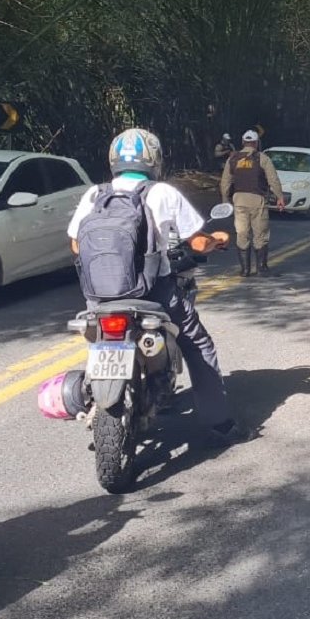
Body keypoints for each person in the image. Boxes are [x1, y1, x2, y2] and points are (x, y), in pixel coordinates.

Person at [68, 128, 250, 446]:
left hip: (99, 297)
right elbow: (196, 241)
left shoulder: (95, 195)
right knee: (199, 346)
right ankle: (220, 423)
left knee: (95, 341)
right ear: (154, 159)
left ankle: (91, 397)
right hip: (153, 292)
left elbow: (75, 245)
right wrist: (217, 240)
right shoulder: (162, 193)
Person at [220, 130, 283, 277]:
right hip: (257, 199)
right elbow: (272, 179)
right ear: (256, 143)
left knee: (242, 233)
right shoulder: (262, 158)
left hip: (239, 200)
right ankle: (261, 268)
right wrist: (279, 196)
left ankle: (245, 269)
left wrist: (225, 200)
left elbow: (225, 182)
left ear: (243, 142)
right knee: (260, 233)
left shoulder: (233, 158)